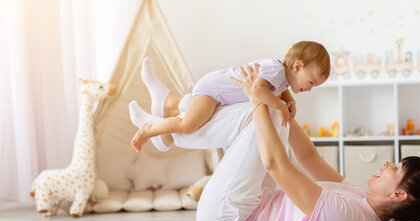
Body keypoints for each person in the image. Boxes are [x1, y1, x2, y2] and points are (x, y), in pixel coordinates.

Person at [133, 64, 420, 221]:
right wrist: (285, 111)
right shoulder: (361, 201)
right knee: (267, 111)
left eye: (395, 167)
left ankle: (171, 126)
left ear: (400, 195)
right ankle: (169, 122)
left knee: (261, 111)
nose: (387, 163)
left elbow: (275, 165)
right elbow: (309, 158)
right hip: (245, 210)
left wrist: (262, 98)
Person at [129, 40, 331, 152]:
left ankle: (163, 103)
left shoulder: (281, 74)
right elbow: (257, 91)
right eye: (311, 82)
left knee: (191, 117)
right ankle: (150, 130)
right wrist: (279, 105)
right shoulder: (276, 71)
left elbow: (279, 88)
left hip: (216, 91)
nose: (310, 88)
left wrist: (290, 100)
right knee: (188, 125)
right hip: (212, 90)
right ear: (297, 66)